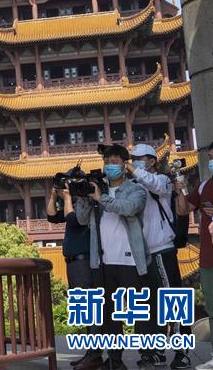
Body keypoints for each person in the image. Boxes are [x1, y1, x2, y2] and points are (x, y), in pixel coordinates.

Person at [75, 144, 149, 370]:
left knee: (139, 313)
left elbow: (128, 208)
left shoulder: (136, 190)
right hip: (103, 262)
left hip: (131, 261)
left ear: (125, 165)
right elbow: (81, 219)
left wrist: (102, 198)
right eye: (107, 162)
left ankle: (147, 357)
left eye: (115, 162)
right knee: (109, 316)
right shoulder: (98, 190)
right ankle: (115, 360)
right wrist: (85, 197)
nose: (110, 166)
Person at [129, 143, 190, 369]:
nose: (133, 162)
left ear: (152, 161)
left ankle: (182, 352)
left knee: (172, 301)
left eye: (138, 159)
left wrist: (132, 169)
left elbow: (151, 183)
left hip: (162, 249)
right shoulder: (132, 184)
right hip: (142, 254)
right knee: (152, 305)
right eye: (132, 159)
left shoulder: (163, 181)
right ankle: (157, 351)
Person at [176, 139, 213, 370]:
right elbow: (184, 209)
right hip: (208, 260)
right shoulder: (204, 186)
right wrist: (180, 189)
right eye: (211, 157)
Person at [47, 171, 101, 370]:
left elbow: (74, 221)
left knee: (90, 308)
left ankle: (95, 355)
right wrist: (54, 195)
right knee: (86, 310)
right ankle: (91, 353)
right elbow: (52, 217)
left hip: (84, 262)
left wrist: (68, 198)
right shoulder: (75, 203)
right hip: (74, 262)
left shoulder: (87, 201)